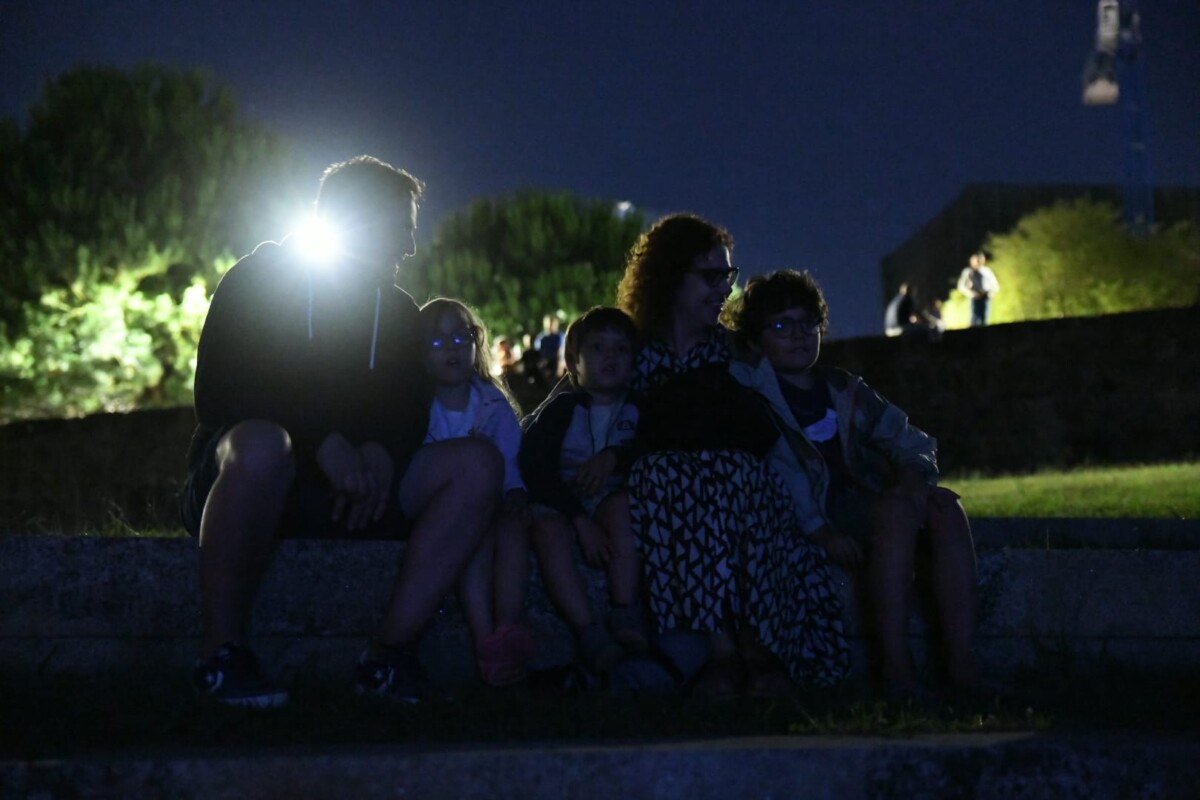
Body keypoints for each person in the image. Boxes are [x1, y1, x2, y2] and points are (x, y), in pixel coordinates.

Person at [181, 156, 502, 707]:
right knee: (260, 443)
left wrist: (381, 452)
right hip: (259, 482)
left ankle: (386, 655)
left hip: (359, 492)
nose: (408, 247)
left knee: (477, 465)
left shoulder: (399, 313)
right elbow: (220, 392)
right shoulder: (257, 281)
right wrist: (319, 443)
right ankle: (221, 655)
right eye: (401, 228)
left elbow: (405, 408)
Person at [614, 213, 849, 697]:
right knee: (667, 472)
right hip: (666, 490)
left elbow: (775, 433)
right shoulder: (635, 353)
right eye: (711, 276)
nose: (724, 289)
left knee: (731, 471)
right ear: (672, 277)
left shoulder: (736, 356)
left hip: (744, 488)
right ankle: (723, 649)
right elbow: (573, 405)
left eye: (727, 276)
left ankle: (754, 646)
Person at [727, 269, 980, 702]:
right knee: (897, 512)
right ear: (755, 341)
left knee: (944, 508)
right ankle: (895, 670)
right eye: (782, 326)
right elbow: (779, 467)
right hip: (813, 512)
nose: (799, 335)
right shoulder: (756, 394)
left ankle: (964, 668)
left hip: (864, 500)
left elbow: (907, 438)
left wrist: (916, 477)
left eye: (808, 323)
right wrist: (820, 530)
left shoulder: (843, 388)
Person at [519, 306, 647, 677]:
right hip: (561, 497)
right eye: (597, 348)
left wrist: (614, 458)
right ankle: (588, 631)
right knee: (547, 531)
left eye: (620, 349)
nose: (610, 357)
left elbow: (649, 448)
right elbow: (536, 465)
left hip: (611, 494)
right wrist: (577, 518)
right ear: (574, 362)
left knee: (622, 509)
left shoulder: (638, 409)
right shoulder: (562, 409)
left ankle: (625, 610)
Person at [419, 298, 536, 687]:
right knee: (476, 534)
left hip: (497, 501)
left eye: (460, 336)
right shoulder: (418, 407)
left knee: (514, 530)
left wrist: (515, 491)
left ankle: (508, 627)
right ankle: (487, 638)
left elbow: (510, 457)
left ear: (476, 342)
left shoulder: (492, 403)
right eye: (436, 341)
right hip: (448, 510)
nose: (451, 347)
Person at [957, 253, 1000, 327]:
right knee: (974, 320)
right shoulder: (968, 272)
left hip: (985, 298)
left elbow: (995, 286)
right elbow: (961, 286)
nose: (979, 262)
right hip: (974, 299)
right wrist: (972, 294)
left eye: (980, 260)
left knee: (984, 321)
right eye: (977, 260)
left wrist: (989, 294)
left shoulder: (986, 271)